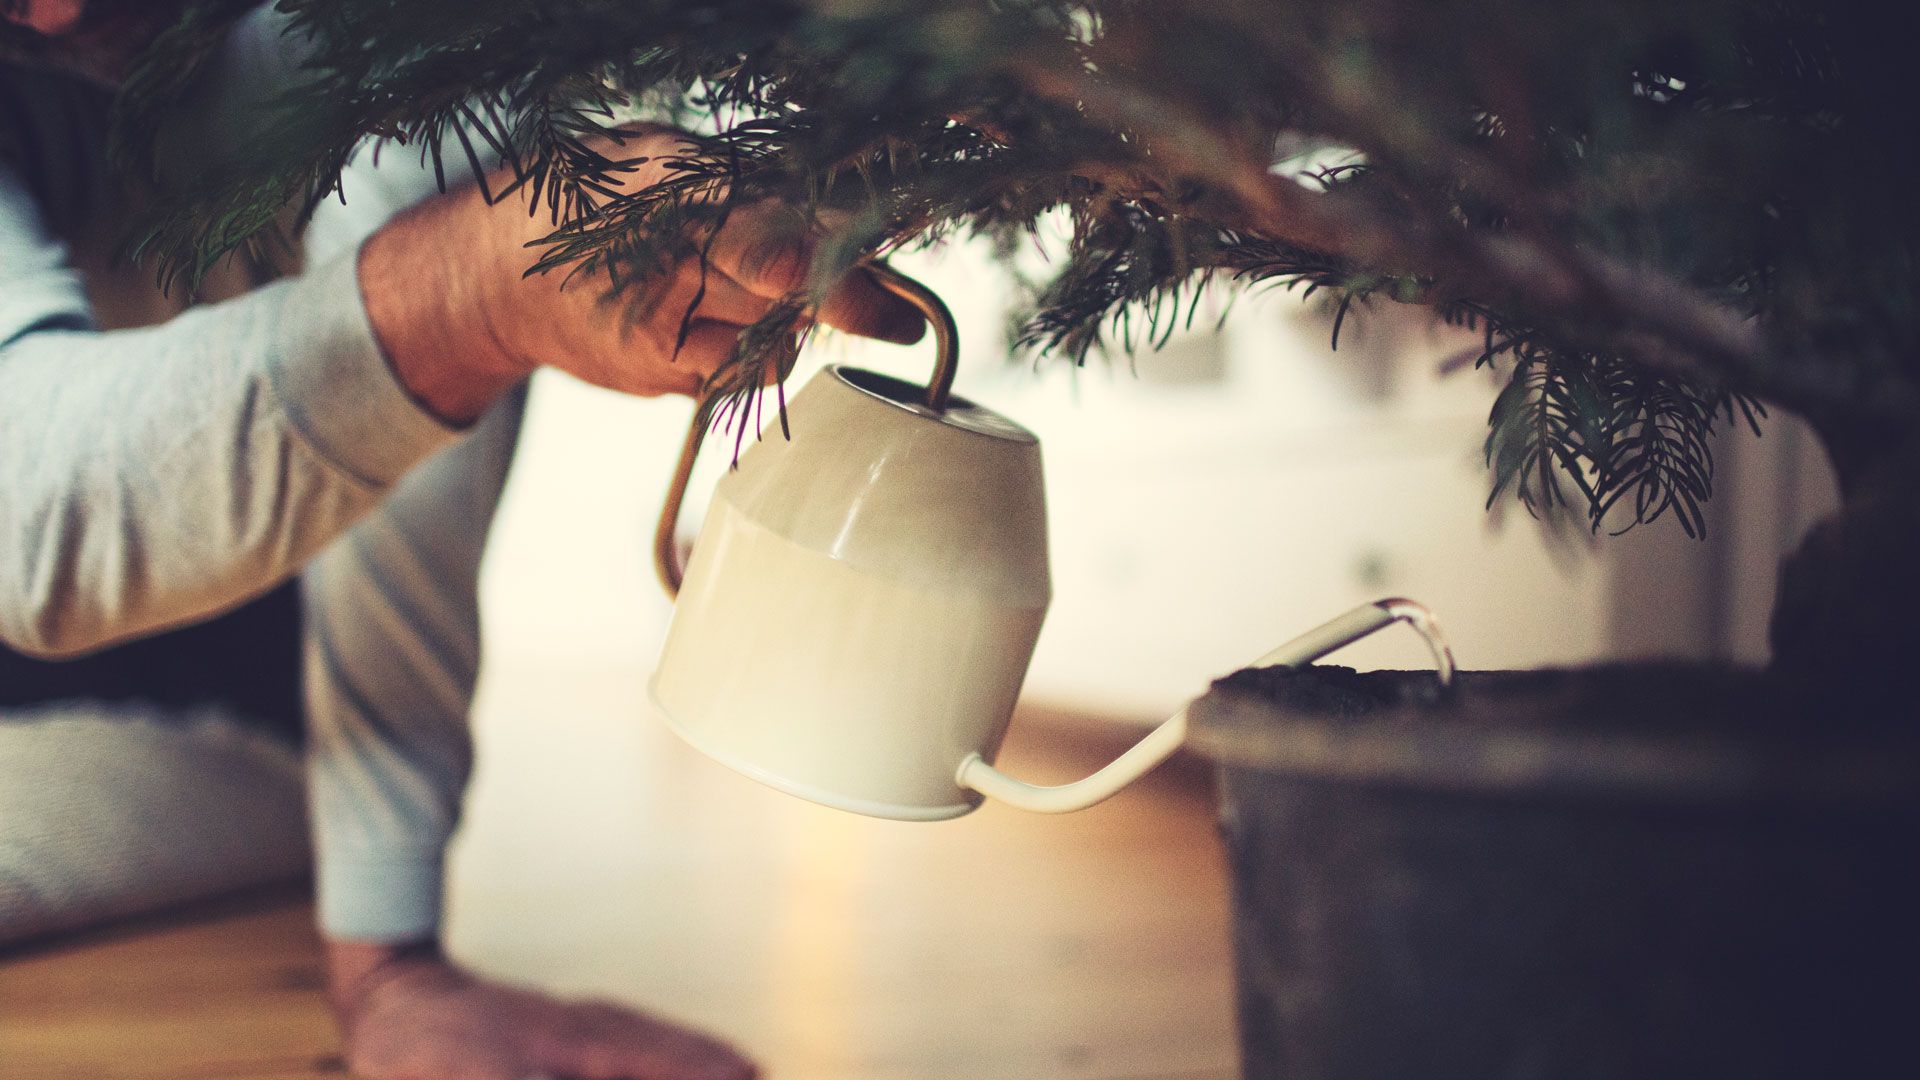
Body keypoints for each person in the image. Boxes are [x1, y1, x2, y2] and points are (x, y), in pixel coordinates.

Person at [0, 2, 923, 1078]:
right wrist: (468, 295)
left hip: (237, 664)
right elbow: (35, 513)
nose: (60, 7)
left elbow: (420, 157)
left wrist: (388, 958)